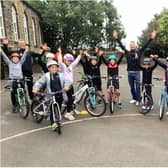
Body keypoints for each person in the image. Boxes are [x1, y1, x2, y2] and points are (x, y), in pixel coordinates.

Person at [113, 30, 157, 105]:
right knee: (132, 87)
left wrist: (151, 38)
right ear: (129, 46)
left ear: (135, 45)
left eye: (133, 44)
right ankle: (134, 98)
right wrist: (116, 38)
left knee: (138, 87)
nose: (132, 45)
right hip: (130, 73)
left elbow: (145, 46)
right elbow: (121, 46)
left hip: (137, 72)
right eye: (131, 44)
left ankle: (138, 100)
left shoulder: (139, 52)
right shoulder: (127, 52)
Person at [32, 60, 70, 131]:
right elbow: (39, 82)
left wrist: (66, 86)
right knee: (52, 109)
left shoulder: (61, 75)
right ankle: (53, 123)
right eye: (52, 68)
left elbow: (67, 81)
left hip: (59, 94)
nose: (54, 69)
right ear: (49, 68)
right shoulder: (46, 76)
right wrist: (35, 88)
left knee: (58, 108)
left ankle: (57, 120)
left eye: (55, 67)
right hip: (50, 95)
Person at [0, 48, 28, 113]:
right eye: (14, 58)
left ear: (18, 59)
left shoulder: (20, 63)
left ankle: (24, 101)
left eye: (17, 58)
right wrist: (1, 51)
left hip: (20, 79)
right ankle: (14, 105)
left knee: (23, 90)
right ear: (12, 59)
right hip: (13, 80)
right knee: (13, 93)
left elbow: (23, 57)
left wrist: (26, 51)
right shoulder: (10, 64)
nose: (15, 59)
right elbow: (5, 57)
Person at [58, 51, 82, 120]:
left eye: (70, 61)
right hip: (65, 85)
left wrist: (79, 55)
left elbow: (76, 62)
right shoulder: (62, 66)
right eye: (68, 61)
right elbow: (59, 62)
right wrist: (60, 53)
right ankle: (67, 113)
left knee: (73, 98)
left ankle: (72, 109)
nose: (70, 62)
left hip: (70, 85)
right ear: (65, 60)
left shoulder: (71, 66)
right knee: (69, 99)